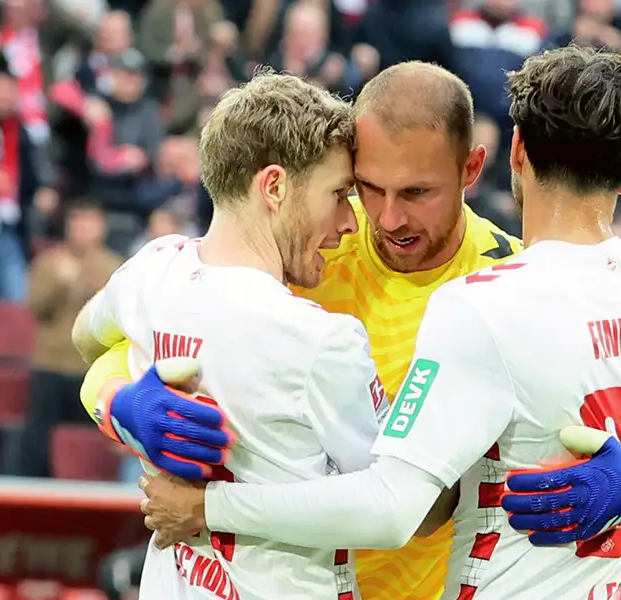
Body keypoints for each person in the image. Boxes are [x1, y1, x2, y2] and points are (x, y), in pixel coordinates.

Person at [80, 61, 621, 599]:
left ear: (479, 166)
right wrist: (120, 404)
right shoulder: (306, 248)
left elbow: (399, 504)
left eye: (418, 192)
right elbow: (146, 323)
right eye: (365, 188)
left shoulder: (502, 290)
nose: (385, 218)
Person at [70, 70, 389, 598]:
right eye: (338, 194)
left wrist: (116, 403)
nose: (348, 222)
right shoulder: (320, 338)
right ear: (275, 186)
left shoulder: (154, 269)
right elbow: (393, 506)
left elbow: (86, 336)